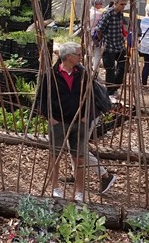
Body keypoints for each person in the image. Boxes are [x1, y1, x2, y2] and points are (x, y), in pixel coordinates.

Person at [35, 42, 91, 201]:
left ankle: (79, 191)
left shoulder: (82, 74)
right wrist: (50, 117)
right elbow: (41, 99)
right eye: (79, 55)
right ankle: (55, 188)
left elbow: (90, 95)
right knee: (55, 156)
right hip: (58, 122)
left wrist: (86, 115)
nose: (81, 57)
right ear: (68, 57)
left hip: (78, 122)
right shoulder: (51, 75)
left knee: (79, 157)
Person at [93, 0, 128, 95]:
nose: (123, 6)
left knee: (123, 66)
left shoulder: (120, 14)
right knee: (110, 69)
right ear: (115, 3)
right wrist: (100, 40)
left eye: (124, 5)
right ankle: (110, 90)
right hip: (109, 45)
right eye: (121, 4)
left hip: (119, 44)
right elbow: (99, 28)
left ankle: (116, 86)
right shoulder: (108, 13)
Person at [87, 0, 106, 70]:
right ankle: (95, 68)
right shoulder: (99, 14)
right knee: (97, 52)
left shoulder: (89, 12)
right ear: (97, 4)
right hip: (96, 35)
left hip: (88, 33)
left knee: (89, 51)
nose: (101, 5)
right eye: (101, 4)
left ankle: (88, 66)